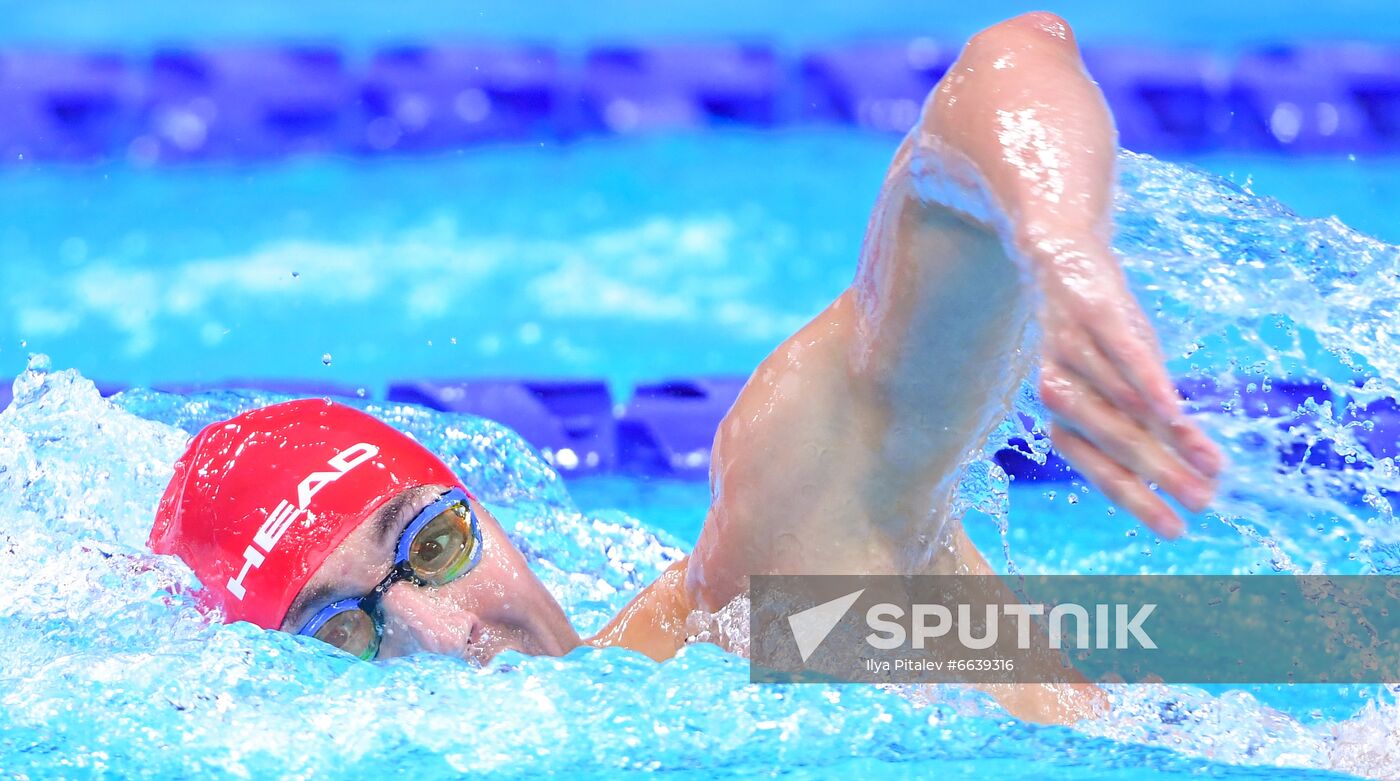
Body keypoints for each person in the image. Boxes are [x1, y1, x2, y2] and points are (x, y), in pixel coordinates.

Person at [149, 12, 1222, 724]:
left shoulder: (751, 616)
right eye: (342, 634)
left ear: (487, 513)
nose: (445, 632)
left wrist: (1053, 241)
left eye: (432, 543)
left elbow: (1006, 67)